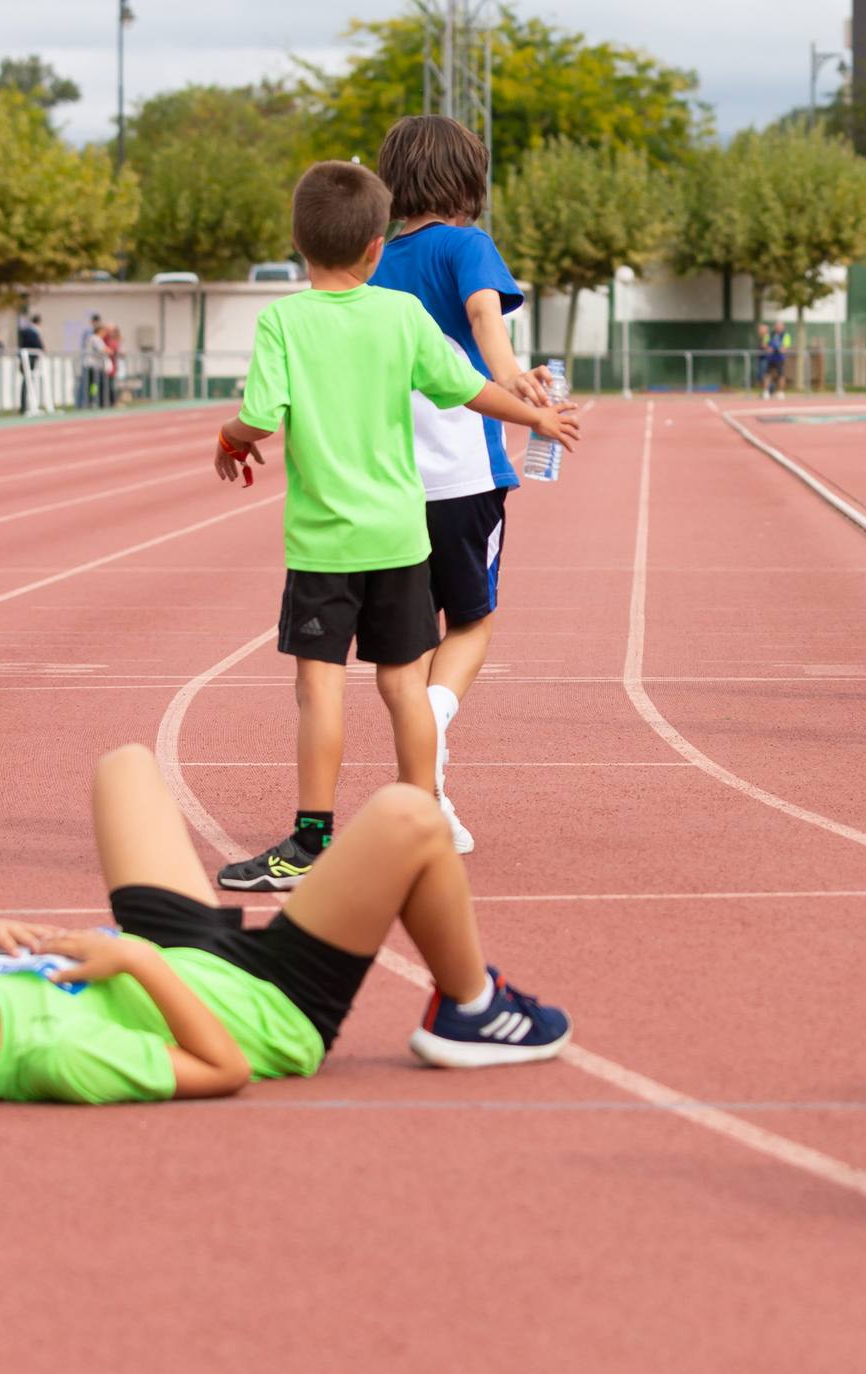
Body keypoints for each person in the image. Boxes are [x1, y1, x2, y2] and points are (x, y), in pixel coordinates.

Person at [0, 745, 573, 1112]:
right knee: (409, 816)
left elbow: (27, 983)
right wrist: (131, 960)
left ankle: (469, 1001)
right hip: (265, 1003)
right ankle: (471, 1008)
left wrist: (3, 937)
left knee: (124, 765)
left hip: (180, 955)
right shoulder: (64, 1063)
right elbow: (222, 1067)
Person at [210, 160, 578, 893]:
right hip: (401, 536)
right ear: (377, 248)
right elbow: (467, 387)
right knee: (405, 686)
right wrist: (535, 413)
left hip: (324, 542)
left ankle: (310, 843)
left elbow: (260, 418)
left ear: (296, 243)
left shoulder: (283, 320)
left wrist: (229, 439)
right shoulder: (401, 316)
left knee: (320, 690)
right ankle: (421, 824)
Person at [367, 113, 559, 855]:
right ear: (467, 179)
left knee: (404, 644)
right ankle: (435, 725)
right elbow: (484, 312)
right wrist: (511, 376)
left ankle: (425, 784)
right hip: (463, 474)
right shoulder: (467, 245)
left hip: (384, 479)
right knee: (472, 622)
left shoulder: (374, 258)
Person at [16, 313, 45, 416]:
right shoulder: (32, 332)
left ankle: (26, 406)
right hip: (29, 360)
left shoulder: (27, 331)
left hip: (26, 359)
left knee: (28, 382)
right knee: (27, 382)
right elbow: (37, 345)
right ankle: (24, 406)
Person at [762, 321, 791, 399]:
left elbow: (786, 346)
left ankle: (781, 392)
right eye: (777, 326)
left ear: (783, 327)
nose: (778, 327)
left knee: (781, 375)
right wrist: (768, 348)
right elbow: (764, 344)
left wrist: (782, 349)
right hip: (770, 358)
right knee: (767, 375)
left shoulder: (785, 335)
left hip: (780, 358)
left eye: (780, 326)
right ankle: (766, 392)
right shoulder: (770, 334)